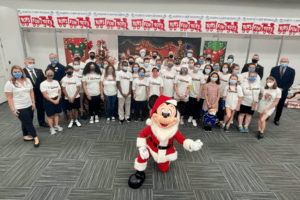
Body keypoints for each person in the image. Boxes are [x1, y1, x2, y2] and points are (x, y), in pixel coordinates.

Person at [4, 65, 40, 147]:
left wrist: (33, 102)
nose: (17, 73)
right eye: (15, 72)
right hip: (19, 106)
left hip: (29, 105)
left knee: (26, 121)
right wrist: (13, 109)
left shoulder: (27, 80)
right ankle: (35, 137)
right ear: (12, 73)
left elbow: (31, 92)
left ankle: (25, 136)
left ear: (22, 72)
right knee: (29, 122)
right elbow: (9, 98)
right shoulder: (9, 83)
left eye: (19, 72)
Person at [23, 57, 48, 127]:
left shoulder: (39, 71)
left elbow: (43, 82)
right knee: (30, 111)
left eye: (33, 63)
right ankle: (29, 125)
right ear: (25, 64)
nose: (32, 64)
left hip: (39, 94)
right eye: (30, 63)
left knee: (41, 109)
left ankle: (42, 122)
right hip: (28, 95)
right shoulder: (22, 72)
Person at [270, 57, 295, 125]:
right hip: (273, 89)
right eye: (282, 61)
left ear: (288, 62)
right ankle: (267, 115)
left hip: (283, 91)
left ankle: (277, 119)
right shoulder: (274, 69)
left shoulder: (291, 70)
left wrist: (283, 88)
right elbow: (271, 79)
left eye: (285, 61)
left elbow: (290, 82)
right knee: (270, 103)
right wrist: (274, 87)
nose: (284, 62)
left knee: (280, 105)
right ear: (280, 62)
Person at [40, 68, 64, 135]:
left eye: (52, 73)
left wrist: (58, 99)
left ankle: (56, 126)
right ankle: (51, 128)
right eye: (48, 73)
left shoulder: (56, 82)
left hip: (57, 99)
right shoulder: (43, 83)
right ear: (45, 74)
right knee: (50, 116)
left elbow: (59, 91)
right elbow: (45, 95)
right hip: (48, 100)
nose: (50, 74)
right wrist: (53, 101)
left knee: (56, 114)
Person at [46, 53, 68, 120]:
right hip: (51, 86)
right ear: (49, 59)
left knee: (62, 100)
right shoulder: (48, 67)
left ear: (57, 58)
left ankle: (65, 113)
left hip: (60, 86)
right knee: (53, 99)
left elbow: (65, 77)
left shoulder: (62, 66)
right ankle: (55, 113)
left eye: (54, 57)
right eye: (51, 58)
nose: (53, 59)